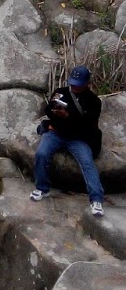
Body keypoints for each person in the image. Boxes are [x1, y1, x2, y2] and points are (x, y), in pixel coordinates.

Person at [32, 65, 105, 217]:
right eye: (73, 83)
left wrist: (68, 115)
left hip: (78, 138)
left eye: (78, 84)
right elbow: (47, 112)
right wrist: (54, 110)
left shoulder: (94, 101)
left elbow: (89, 124)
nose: (74, 87)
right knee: (41, 154)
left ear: (86, 83)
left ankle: (96, 199)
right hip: (56, 133)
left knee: (87, 163)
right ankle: (42, 188)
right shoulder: (60, 92)